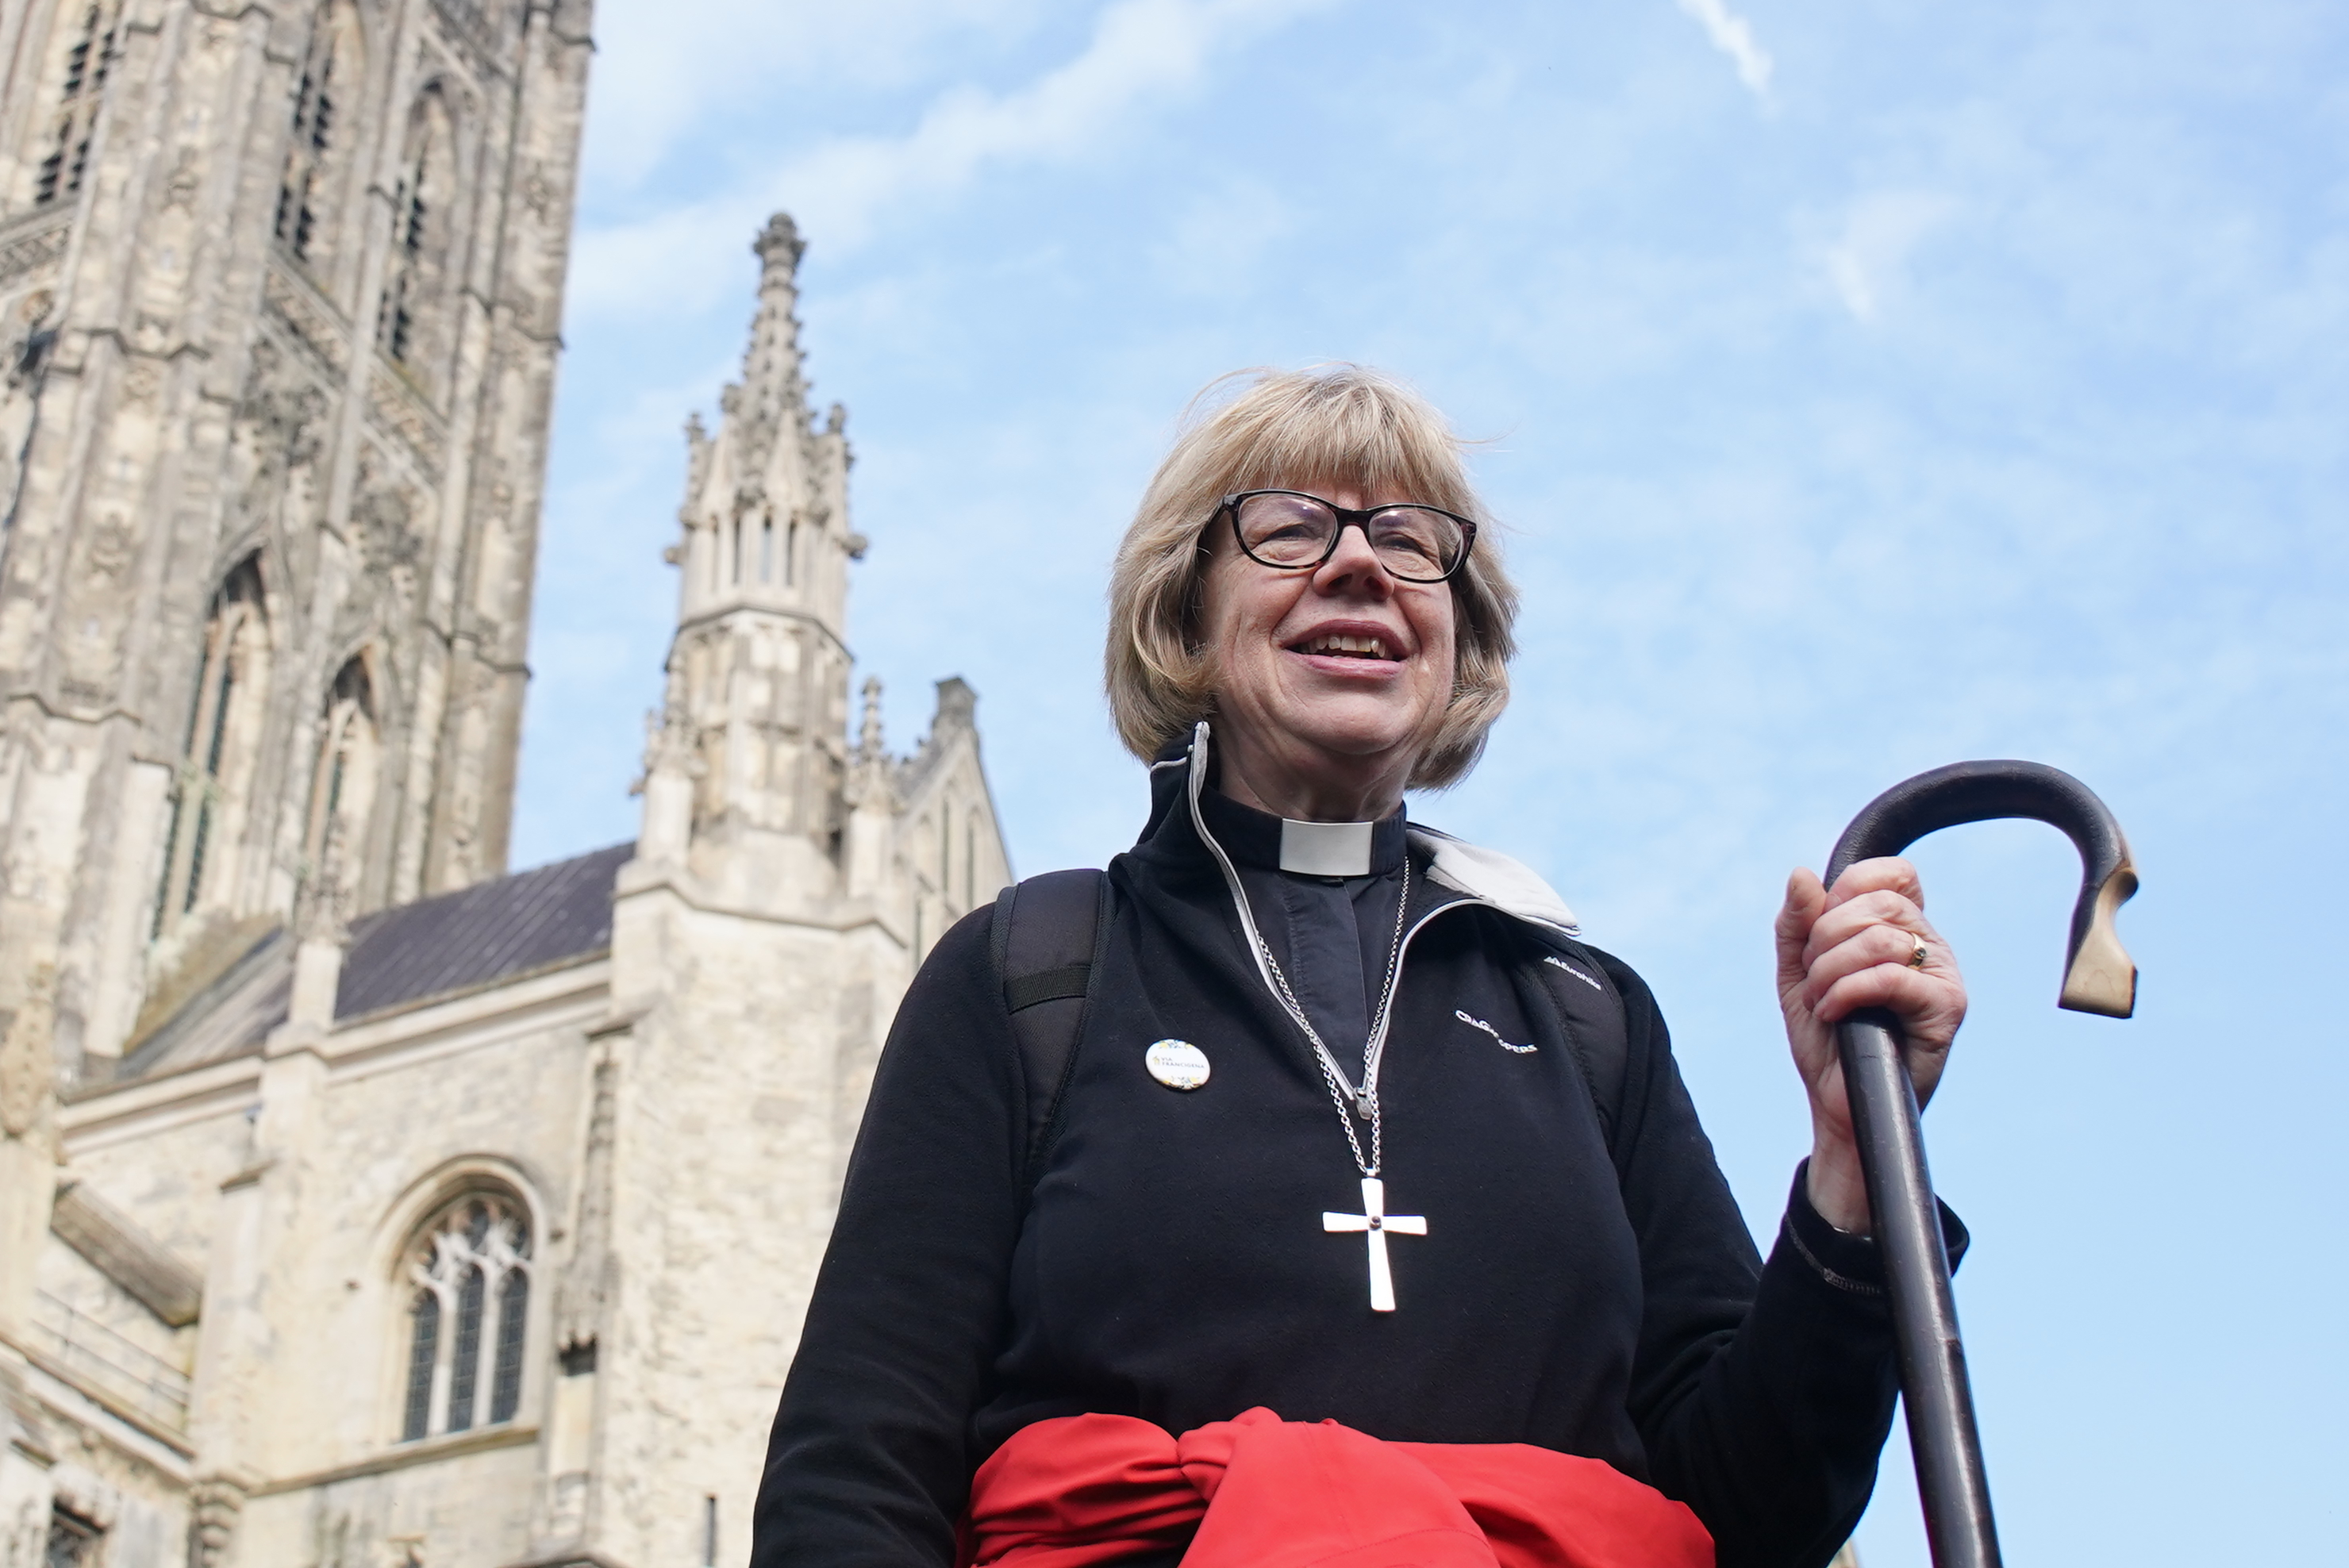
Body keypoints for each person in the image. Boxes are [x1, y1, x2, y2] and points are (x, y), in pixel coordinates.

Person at [752, 366, 1969, 1568]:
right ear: (1184, 614)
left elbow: (1747, 1514)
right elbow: (858, 1474)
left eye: (1411, 538)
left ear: (1456, 633)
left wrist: (1855, 1180)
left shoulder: (1588, 1015)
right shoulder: (1030, 973)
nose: (1361, 565)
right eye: (1286, 530)